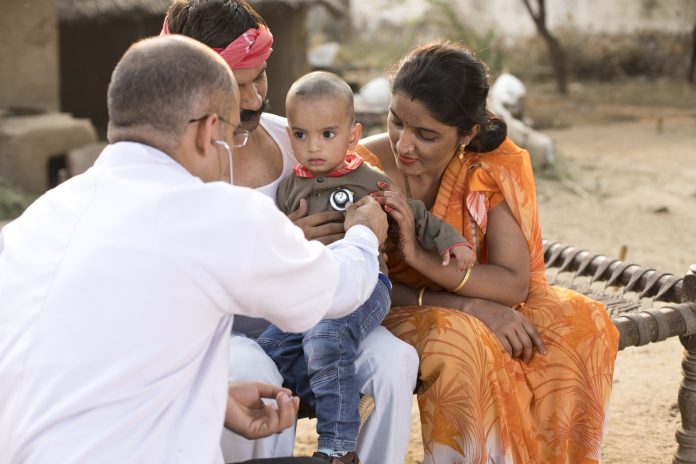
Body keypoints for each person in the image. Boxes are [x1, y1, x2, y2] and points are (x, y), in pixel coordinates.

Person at [0, 35, 389, 463]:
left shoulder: (33, 222)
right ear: (208, 132)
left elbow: (94, 361)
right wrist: (364, 233)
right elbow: (338, 291)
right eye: (230, 136)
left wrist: (213, 400)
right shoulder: (209, 212)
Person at [161, 2, 419, 463]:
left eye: (260, 77)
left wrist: (369, 236)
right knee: (256, 371)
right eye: (238, 86)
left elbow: (363, 176)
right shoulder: (176, 167)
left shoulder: (296, 138)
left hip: (320, 317)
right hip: (225, 338)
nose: (255, 97)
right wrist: (282, 246)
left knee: (395, 362)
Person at [359, 41, 620, 463]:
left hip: (459, 298)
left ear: (469, 134)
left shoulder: (488, 168)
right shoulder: (360, 168)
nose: (404, 145)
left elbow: (514, 281)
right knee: (464, 339)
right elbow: (358, 283)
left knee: (581, 322)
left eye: (426, 135)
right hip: (382, 306)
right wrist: (473, 307)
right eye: (396, 122)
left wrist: (425, 262)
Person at [255, 71, 472, 463]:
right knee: (266, 349)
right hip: (311, 291)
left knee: (326, 337)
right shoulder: (290, 188)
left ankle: (338, 447)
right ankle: (345, 395)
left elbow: (415, 214)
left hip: (367, 289)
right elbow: (274, 247)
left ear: (353, 136)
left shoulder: (368, 179)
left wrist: (451, 241)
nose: (313, 147)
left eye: (327, 134)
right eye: (301, 135)